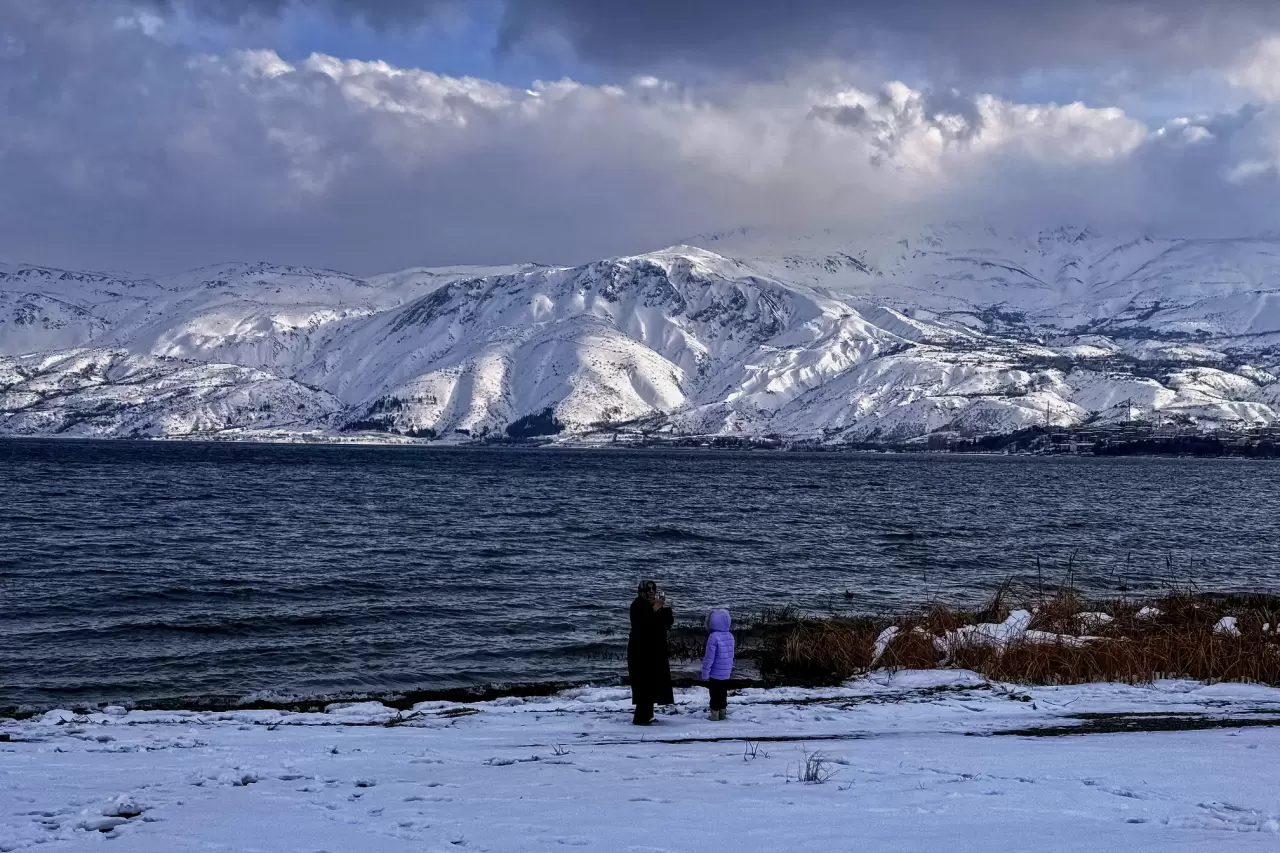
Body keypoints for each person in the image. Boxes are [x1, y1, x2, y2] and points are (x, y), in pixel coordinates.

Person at [628, 580, 674, 726]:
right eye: (648, 592)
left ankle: (648, 715)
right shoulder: (637, 605)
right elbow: (642, 625)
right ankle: (641, 718)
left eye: (653, 592)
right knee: (643, 683)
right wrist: (655, 609)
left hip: (655, 649)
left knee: (653, 682)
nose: (651, 595)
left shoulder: (654, 606)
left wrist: (663, 608)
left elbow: (667, 623)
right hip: (640, 650)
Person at [701, 608, 735, 721]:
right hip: (726, 672)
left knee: (714, 695)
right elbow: (731, 655)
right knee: (723, 694)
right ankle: (722, 714)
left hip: (715, 673)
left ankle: (714, 717)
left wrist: (705, 673)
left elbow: (709, 658)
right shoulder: (730, 636)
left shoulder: (713, 637)